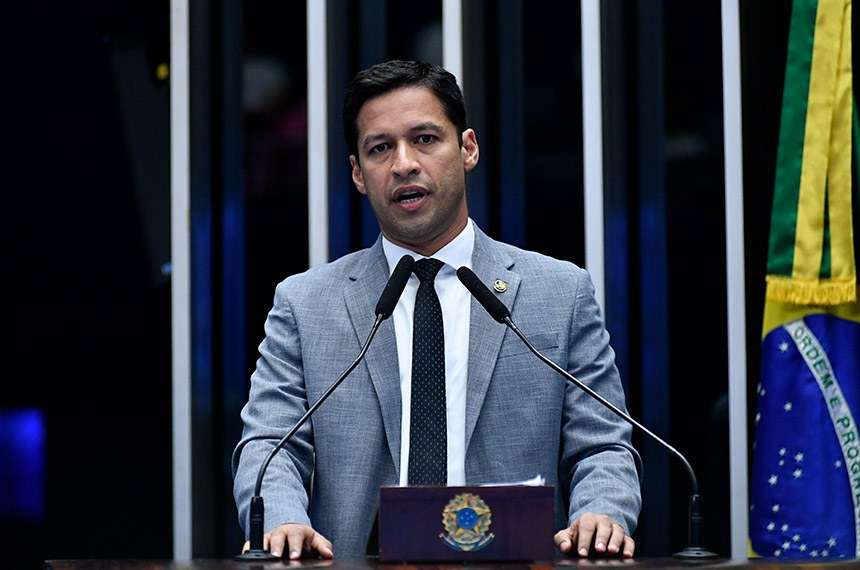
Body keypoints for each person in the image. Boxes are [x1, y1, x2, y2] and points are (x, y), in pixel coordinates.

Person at [232, 59, 642, 561]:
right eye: (380, 148)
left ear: (467, 148)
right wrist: (283, 518)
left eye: (425, 139)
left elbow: (603, 447)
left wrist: (601, 513)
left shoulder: (558, 292)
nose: (404, 163)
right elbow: (269, 446)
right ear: (359, 174)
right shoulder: (306, 303)